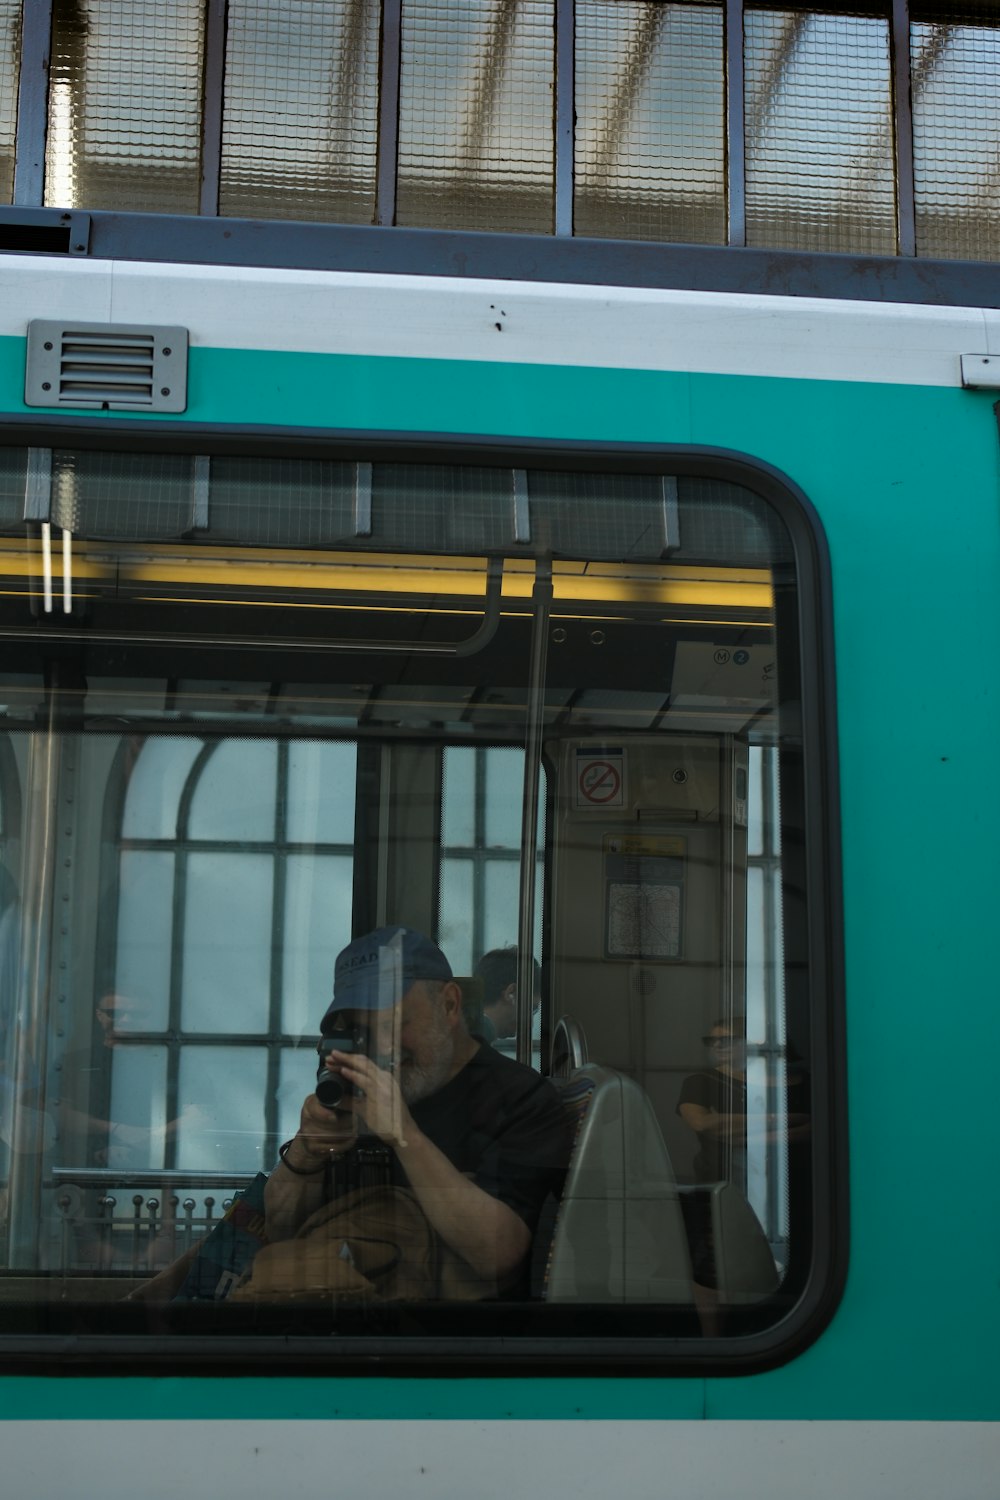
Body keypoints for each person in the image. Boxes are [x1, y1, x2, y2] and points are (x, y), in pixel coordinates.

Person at [262, 925, 571, 1299]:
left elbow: (498, 1255)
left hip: (448, 1342)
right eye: (364, 1031)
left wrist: (405, 1136)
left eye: (394, 1024)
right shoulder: (353, 1091)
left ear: (450, 1005)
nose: (385, 1048)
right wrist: (306, 1152)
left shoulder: (519, 1098)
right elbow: (278, 1231)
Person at [472, 946, 539, 1046]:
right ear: (511, 993)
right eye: (531, 1009)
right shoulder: (474, 1046)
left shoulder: (464, 1032)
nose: (531, 1023)